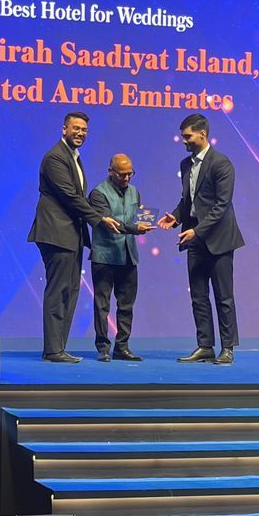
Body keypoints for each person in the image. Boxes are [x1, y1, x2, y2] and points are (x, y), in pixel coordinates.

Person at [28, 112, 121, 363]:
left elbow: (78, 197)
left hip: (70, 234)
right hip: (56, 233)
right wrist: (99, 219)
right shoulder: (55, 157)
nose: (80, 133)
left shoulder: (73, 156)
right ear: (64, 129)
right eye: (76, 128)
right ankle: (53, 350)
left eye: (84, 130)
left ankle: (57, 348)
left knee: (69, 291)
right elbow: (70, 197)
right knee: (58, 291)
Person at [157, 113, 244, 365]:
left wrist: (197, 231)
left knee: (223, 297)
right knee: (198, 296)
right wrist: (175, 217)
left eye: (188, 136)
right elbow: (189, 199)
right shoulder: (186, 164)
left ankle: (227, 348)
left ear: (202, 134)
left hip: (219, 239)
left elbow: (221, 205)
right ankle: (205, 346)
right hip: (194, 238)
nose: (184, 141)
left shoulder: (221, 163)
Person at [88, 154, 152, 361]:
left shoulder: (134, 192)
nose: (126, 178)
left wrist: (145, 222)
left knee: (126, 304)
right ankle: (103, 347)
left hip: (128, 255)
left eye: (130, 174)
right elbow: (111, 224)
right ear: (110, 172)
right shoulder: (98, 193)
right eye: (122, 174)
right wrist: (135, 228)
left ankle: (122, 347)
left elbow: (136, 218)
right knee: (102, 304)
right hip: (105, 256)